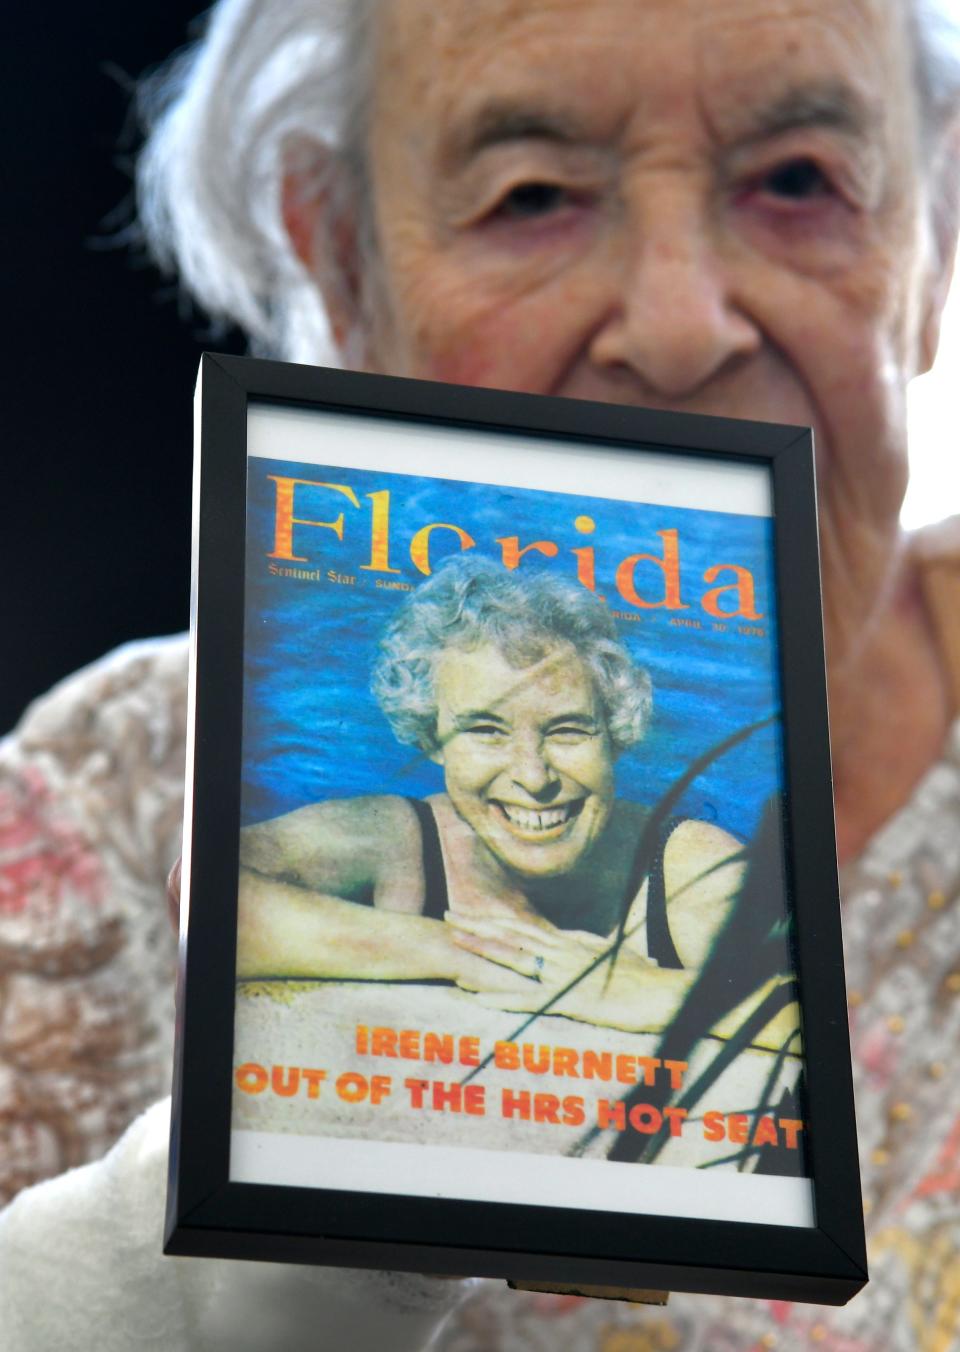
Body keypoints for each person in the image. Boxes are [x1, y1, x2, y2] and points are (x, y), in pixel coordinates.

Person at [2, 0, 960, 1348]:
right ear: (342, 266)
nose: (682, 325)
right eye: (533, 196)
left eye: (801, 182)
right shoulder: (106, 806)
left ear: (933, 253)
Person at [237, 554, 791, 1050]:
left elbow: (831, 1005)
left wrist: (643, 993)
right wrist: (457, 949)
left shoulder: (685, 867)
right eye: (486, 730)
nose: (533, 777)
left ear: (616, 734)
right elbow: (201, 890)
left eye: (569, 730)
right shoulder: (398, 841)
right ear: (431, 738)